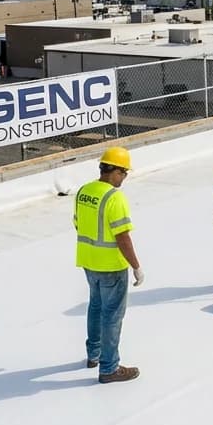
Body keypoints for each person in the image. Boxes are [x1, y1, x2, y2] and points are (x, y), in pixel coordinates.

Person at [75, 147, 144, 383]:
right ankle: (109, 368)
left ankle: (93, 354)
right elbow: (122, 236)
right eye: (123, 172)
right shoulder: (114, 198)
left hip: (88, 261)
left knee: (95, 307)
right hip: (111, 266)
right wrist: (135, 265)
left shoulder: (84, 192)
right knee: (112, 315)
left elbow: (78, 224)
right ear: (113, 170)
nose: (124, 177)